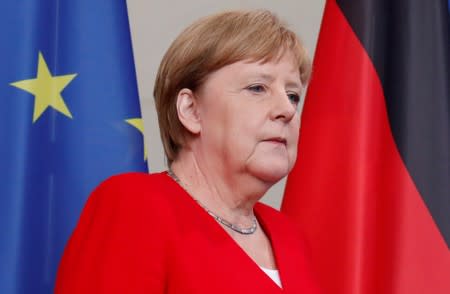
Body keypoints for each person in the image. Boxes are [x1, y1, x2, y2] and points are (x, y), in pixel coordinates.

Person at [55, 9, 320, 293]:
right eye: (257, 88)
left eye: (293, 95)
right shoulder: (136, 206)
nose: (287, 110)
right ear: (191, 110)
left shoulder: (289, 235)